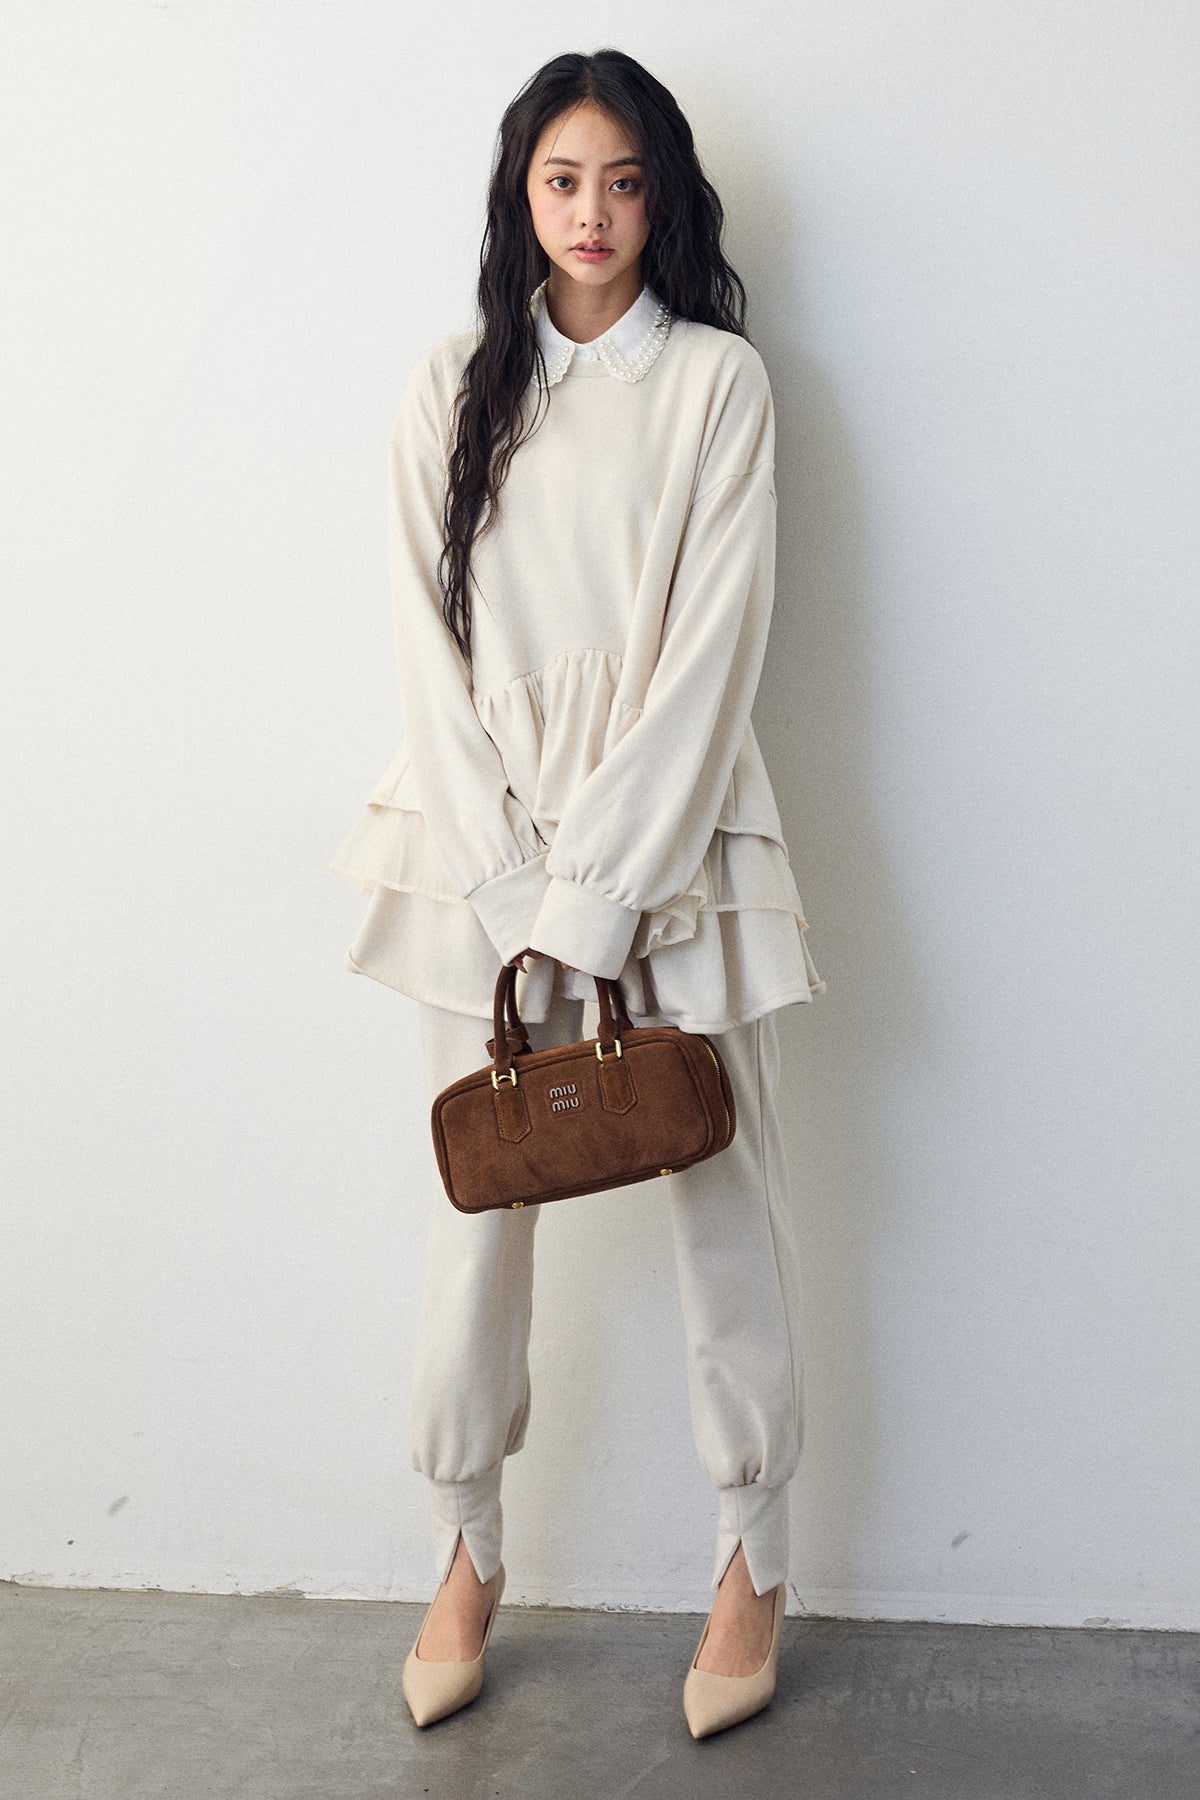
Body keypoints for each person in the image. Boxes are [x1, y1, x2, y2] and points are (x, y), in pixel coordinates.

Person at [329, 48, 826, 1737]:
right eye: (563, 179)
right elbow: (426, 652)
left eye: (623, 180)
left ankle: (753, 1556)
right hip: (476, 853)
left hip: (675, 846)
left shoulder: (717, 386)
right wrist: (509, 882)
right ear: (520, 194)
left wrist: (597, 893)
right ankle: (465, 1547)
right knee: (480, 1214)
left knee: (726, 1203)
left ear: (661, 193)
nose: (594, 212)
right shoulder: (450, 386)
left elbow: (712, 654)